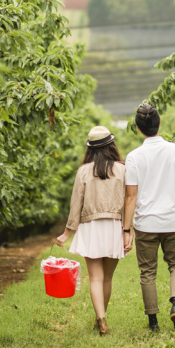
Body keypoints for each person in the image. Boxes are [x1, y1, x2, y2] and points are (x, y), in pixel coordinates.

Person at [122, 104, 175, 332]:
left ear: (138, 128)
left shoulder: (134, 157)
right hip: (173, 220)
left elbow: (131, 196)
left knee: (147, 272)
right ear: (160, 123)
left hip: (146, 223)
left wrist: (127, 230)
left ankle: (153, 323)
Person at [55, 125, 126, 336]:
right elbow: (130, 200)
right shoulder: (122, 169)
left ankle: (101, 319)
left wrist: (67, 233)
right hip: (114, 225)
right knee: (107, 278)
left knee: (95, 278)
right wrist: (129, 229)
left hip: (91, 227)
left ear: (90, 149)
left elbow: (76, 203)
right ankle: (101, 317)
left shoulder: (84, 171)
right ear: (111, 145)